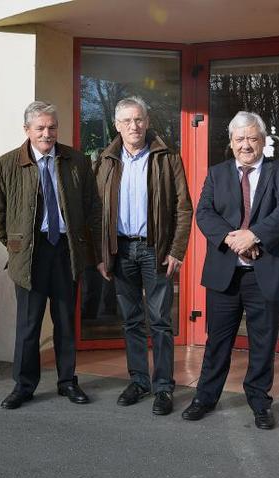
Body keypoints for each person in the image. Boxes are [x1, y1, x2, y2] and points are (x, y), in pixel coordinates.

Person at [182, 111, 279, 429]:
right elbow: (204, 212)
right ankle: (204, 398)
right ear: (231, 143)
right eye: (239, 139)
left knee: (263, 343)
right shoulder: (217, 174)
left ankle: (260, 403)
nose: (245, 145)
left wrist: (254, 234)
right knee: (217, 340)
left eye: (251, 138)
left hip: (266, 271)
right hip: (226, 272)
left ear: (263, 140)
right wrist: (233, 239)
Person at [0, 101, 102, 409]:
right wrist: (14, 243)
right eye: (40, 128)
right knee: (29, 325)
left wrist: (90, 249)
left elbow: (92, 206)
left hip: (65, 251)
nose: (47, 133)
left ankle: (67, 382)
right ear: (27, 130)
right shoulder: (7, 165)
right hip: (30, 255)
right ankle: (23, 386)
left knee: (65, 322)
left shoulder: (75, 161)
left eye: (52, 127)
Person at [95, 96, 193, 416]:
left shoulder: (166, 157)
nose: (134, 126)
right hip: (121, 249)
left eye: (139, 120)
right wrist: (101, 254)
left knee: (161, 321)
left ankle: (163, 386)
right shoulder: (107, 160)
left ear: (147, 121)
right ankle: (139, 381)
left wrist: (177, 250)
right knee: (131, 320)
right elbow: (96, 212)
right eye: (127, 121)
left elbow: (183, 207)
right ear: (117, 125)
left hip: (156, 249)